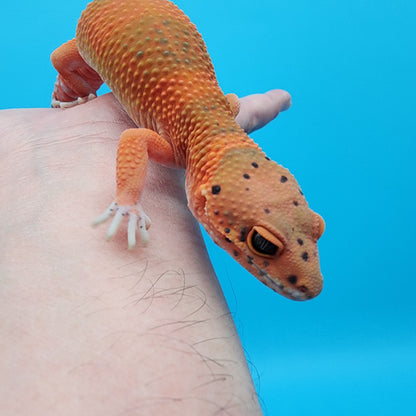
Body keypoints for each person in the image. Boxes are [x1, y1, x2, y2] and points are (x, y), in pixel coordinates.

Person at [0, 90, 291, 415]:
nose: (302, 277)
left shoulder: (208, 127)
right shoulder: (183, 145)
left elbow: (231, 103)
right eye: (263, 245)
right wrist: (126, 196)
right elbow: (136, 138)